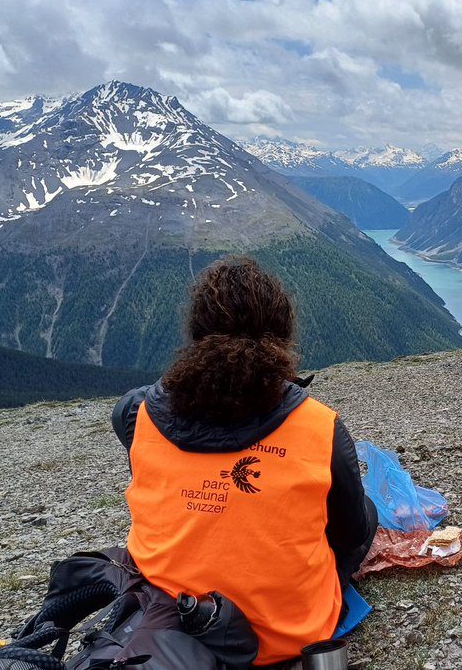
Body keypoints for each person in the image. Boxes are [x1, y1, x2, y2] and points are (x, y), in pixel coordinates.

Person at [111, 256, 377, 666]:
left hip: (168, 625)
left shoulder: (137, 413)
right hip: (290, 636)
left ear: (197, 334)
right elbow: (349, 534)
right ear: (282, 334)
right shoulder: (320, 426)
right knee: (366, 512)